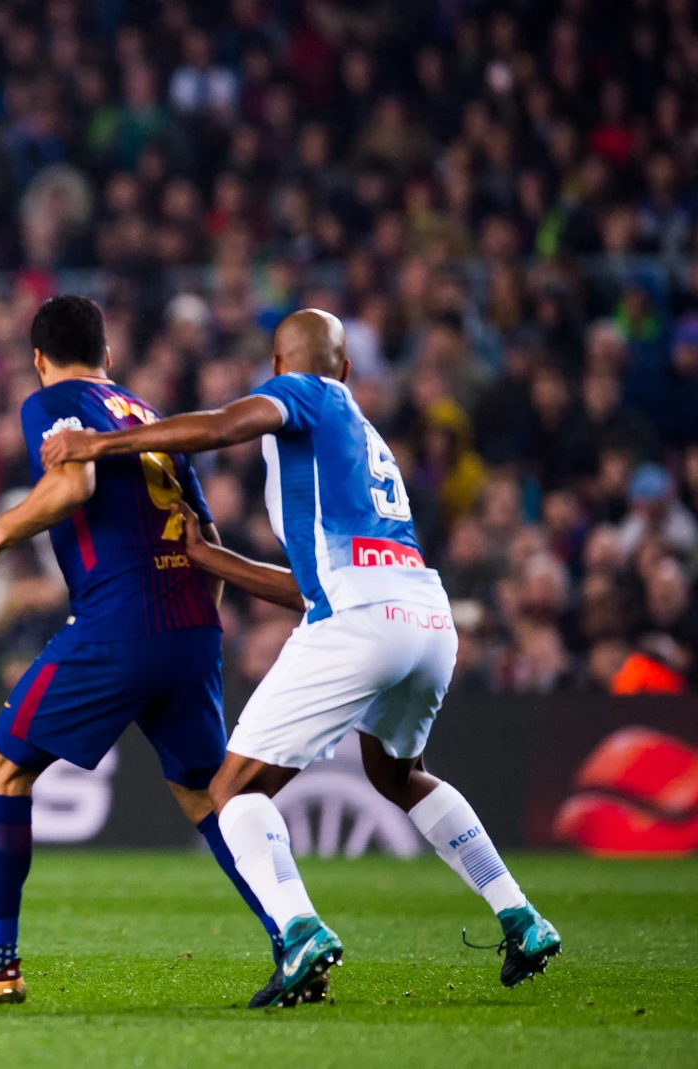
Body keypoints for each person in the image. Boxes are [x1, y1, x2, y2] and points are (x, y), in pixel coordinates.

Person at [41, 308, 562, 1007]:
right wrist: (209, 556)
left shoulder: (307, 395)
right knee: (399, 773)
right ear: (347, 365)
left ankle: (301, 928)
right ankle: (520, 913)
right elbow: (310, 583)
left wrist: (102, 444)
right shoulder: (366, 439)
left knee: (230, 792)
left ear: (282, 367)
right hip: (425, 618)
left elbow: (223, 425)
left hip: (361, 622)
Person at [0, 294, 284, 1005]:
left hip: (120, 621)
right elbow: (203, 537)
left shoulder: (56, 397)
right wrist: (193, 632)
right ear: (110, 356)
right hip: (191, 623)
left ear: (38, 358)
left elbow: (72, 481)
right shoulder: (147, 415)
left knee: (0, 766)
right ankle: (294, 935)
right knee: (207, 794)